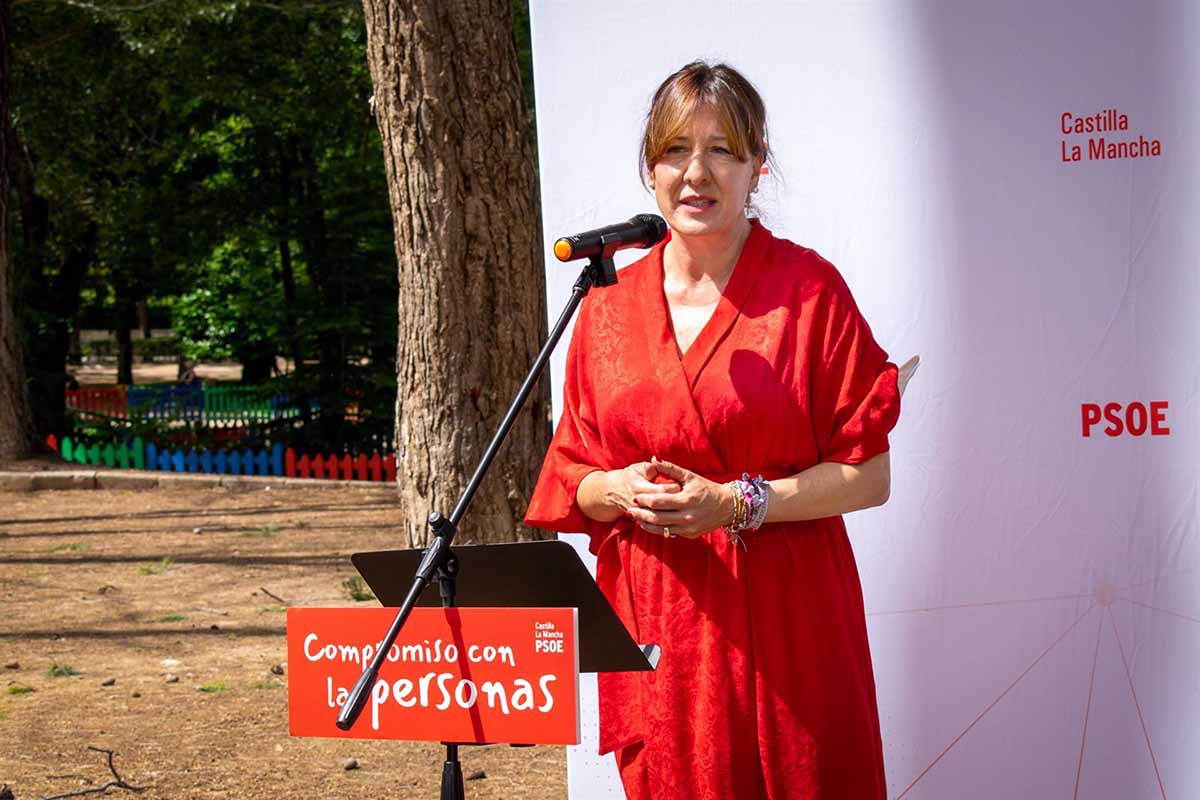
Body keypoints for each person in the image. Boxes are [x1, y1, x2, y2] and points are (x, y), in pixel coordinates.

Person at [525, 61, 901, 799]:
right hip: (668, 634)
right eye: (675, 150)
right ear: (650, 167)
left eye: (723, 149)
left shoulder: (808, 292)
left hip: (793, 626)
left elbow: (870, 474)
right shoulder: (604, 307)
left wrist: (738, 503)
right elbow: (576, 476)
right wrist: (619, 486)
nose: (697, 172)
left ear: (758, 166)